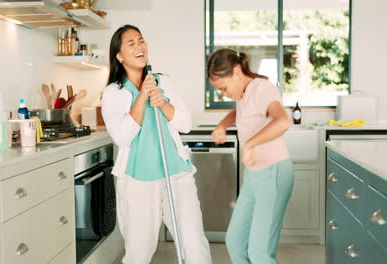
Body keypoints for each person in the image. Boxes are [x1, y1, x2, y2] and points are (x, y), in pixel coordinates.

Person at [101, 24, 211, 264]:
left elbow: (185, 124)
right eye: (131, 44)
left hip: (177, 174)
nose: (140, 47)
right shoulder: (113, 93)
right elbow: (122, 137)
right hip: (137, 180)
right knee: (139, 252)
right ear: (119, 56)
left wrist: (163, 103)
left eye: (141, 41)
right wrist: (142, 96)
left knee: (194, 246)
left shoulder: (164, 81)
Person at [207, 48, 294, 264]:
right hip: (253, 177)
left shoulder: (262, 89)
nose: (224, 94)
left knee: (259, 253)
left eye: (224, 88)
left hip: (273, 173)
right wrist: (222, 125)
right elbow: (239, 112)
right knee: (235, 242)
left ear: (237, 71)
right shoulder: (243, 93)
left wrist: (250, 145)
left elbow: (282, 121)